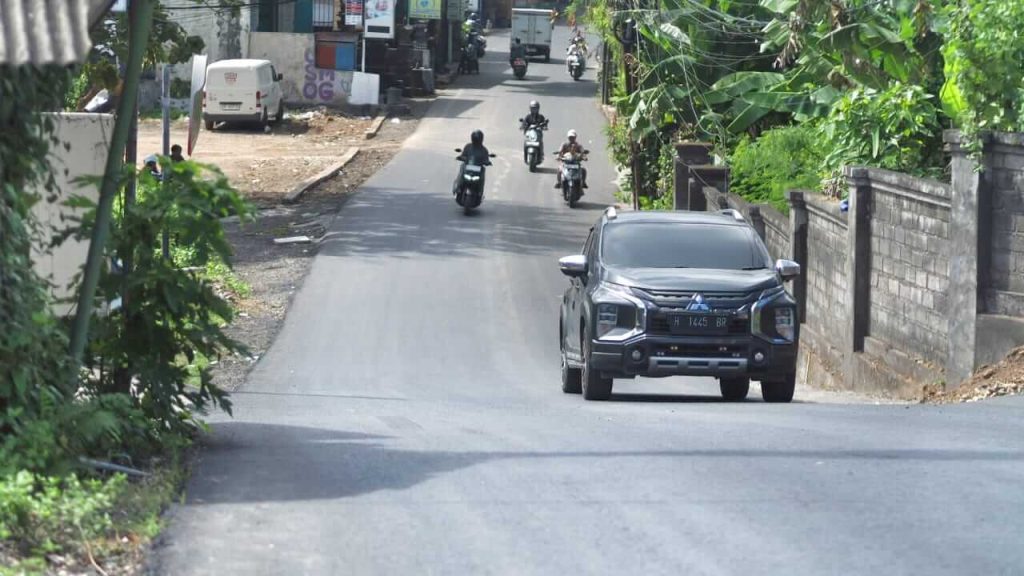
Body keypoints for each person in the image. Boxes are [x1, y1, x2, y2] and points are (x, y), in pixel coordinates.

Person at [454, 129, 492, 194]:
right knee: (462, 166)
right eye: (475, 139)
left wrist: (487, 162)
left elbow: (486, 159)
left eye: (477, 140)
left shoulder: (484, 150)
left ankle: (480, 191)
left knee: (483, 170)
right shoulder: (468, 146)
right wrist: (461, 157)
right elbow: (463, 154)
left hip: (478, 168)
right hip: (468, 166)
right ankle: (458, 186)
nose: (476, 141)